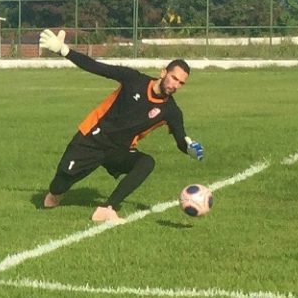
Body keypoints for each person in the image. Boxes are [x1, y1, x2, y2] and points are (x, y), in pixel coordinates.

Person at [38, 28, 203, 223]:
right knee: (55, 192)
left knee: (146, 162)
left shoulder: (171, 111)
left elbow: (181, 139)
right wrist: (64, 51)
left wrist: (189, 148)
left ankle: (108, 208)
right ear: (163, 72)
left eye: (181, 83)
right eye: (174, 78)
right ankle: (57, 191)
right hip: (93, 138)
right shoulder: (134, 80)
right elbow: (97, 67)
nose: (175, 85)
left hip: (119, 150)